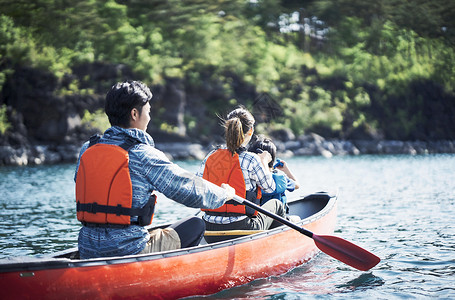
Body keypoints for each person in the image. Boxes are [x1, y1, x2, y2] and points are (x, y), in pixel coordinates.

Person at [74, 80, 235, 259]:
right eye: (148, 112)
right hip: (129, 250)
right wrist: (222, 194)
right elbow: (186, 188)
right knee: (196, 225)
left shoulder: (87, 149)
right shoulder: (143, 154)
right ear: (135, 114)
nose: (149, 118)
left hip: (87, 248)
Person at [196, 106, 287, 236]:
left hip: (209, 229)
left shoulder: (210, 156)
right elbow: (270, 188)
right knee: (277, 205)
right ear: (251, 131)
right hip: (242, 229)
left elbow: (197, 187)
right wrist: (264, 162)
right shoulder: (252, 159)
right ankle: (277, 245)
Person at [248, 135, 300, 211]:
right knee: (296, 218)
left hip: (256, 218)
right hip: (278, 219)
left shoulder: (248, 177)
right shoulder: (280, 179)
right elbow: (297, 185)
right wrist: (286, 170)